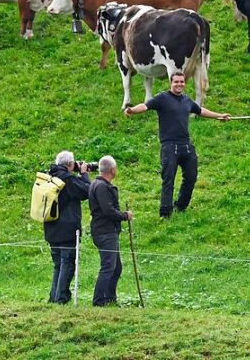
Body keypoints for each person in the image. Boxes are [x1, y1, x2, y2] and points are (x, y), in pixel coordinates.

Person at [124, 70, 230, 218]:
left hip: (186, 146)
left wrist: (219, 116)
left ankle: (180, 206)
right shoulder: (162, 98)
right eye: (176, 82)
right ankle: (165, 213)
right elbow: (145, 106)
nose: (179, 84)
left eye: (182, 82)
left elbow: (200, 111)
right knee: (168, 180)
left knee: (191, 177)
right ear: (171, 83)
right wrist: (132, 110)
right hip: (169, 147)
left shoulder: (187, 100)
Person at [44, 150, 92, 304]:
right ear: (70, 164)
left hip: (51, 228)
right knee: (67, 264)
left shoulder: (50, 176)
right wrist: (84, 174)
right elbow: (86, 191)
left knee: (58, 265)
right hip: (67, 230)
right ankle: (61, 298)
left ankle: (54, 297)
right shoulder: (68, 179)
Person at [88, 155, 131, 306]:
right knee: (108, 267)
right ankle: (99, 301)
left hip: (105, 231)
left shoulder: (96, 184)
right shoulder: (101, 187)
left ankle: (110, 298)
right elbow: (108, 211)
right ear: (112, 170)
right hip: (105, 232)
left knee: (116, 267)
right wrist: (125, 216)